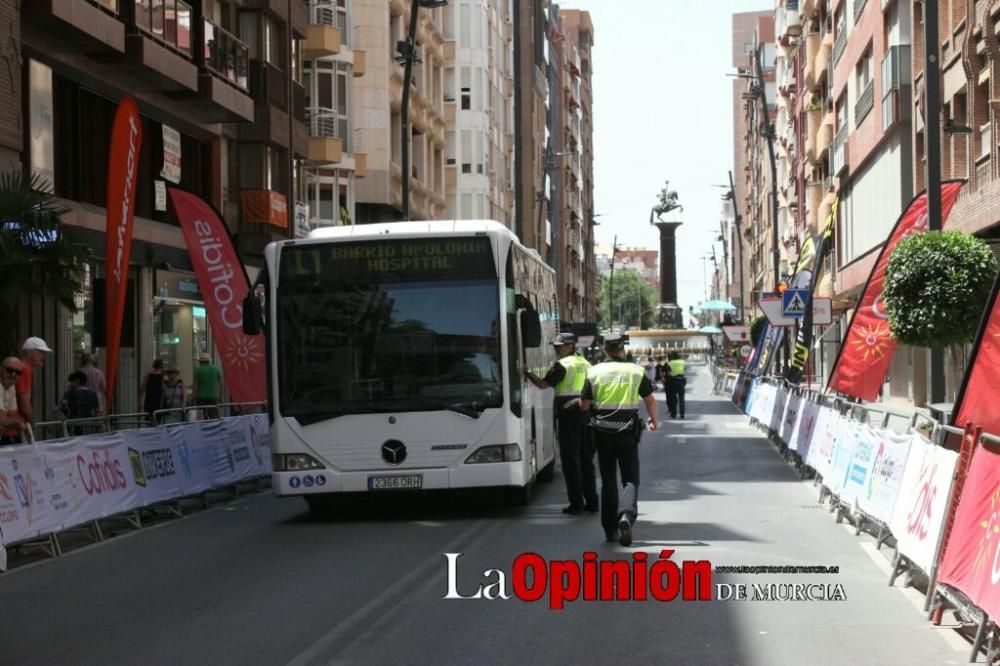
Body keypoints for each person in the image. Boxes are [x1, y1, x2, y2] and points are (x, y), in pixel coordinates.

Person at [579, 333, 658, 546]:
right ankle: (626, 515)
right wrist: (653, 420)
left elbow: (584, 405)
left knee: (607, 481)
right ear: (622, 349)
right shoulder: (635, 371)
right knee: (630, 478)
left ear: (605, 350)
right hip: (628, 433)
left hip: (602, 433)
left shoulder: (593, 371)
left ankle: (610, 530)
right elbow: (650, 400)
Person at [525, 332, 598, 515]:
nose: (556, 349)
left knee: (570, 460)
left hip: (569, 415)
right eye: (555, 346)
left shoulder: (562, 365)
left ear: (571, 346)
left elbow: (542, 384)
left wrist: (526, 372)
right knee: (586, 459)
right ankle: (592, 502)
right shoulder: (587, 364)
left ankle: (576, 504)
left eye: (559, 346)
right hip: (587, 413)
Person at [17, 337, 53, 427]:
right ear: (29, 353)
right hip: (16, 427)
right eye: (41, 352)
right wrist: (32, 423)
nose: (44, 356)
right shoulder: (24, 369)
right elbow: (24, 406)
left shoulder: (22, 367)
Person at [0, 357, 25, 445]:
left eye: (18, 372)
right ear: (1, 370)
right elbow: (2, 420)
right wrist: (18, 423)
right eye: (9, 370)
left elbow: (12, 414)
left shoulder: (11, 387)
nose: (14, 374)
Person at [192, 353, 222, 419]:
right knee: (214, 416)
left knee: (202, 418)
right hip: (213, 396)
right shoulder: (216, 369)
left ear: (200, 361)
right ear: (209, 361)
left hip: (201, 397)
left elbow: (195, 386)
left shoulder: (198, 370)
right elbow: (220, 384)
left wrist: (193, 398)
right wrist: (220, 396)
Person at [140, 359, 165, 423]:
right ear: (161, 366)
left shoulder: (148, 376)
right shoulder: (163, 377)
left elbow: (142, 389)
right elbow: (163, 391)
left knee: (148, 423)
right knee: (158, 423)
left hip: (148, 402)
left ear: (153, 366)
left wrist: (140, 402)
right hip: (158, 403)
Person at [666, 351, 687, 419]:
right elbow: (685, 369)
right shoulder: (682, 362)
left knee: (673, 399)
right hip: (681, 380)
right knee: (681, 398)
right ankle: (682, 414)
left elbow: (668, 373)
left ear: (672, 356)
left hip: (673, 381)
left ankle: (673, 414)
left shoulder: (670, 363)